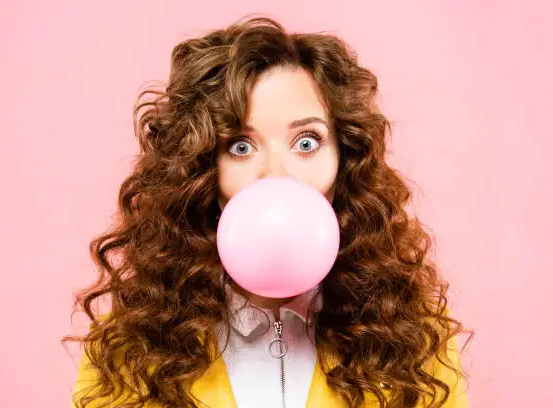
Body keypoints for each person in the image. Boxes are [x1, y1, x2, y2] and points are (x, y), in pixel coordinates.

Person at [65, 16, 472, 408]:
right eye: (241, 146)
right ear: (201, 168)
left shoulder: (414, 336)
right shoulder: (130, 347)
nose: (277, 174)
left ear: (345, 160)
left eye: (307, 142)